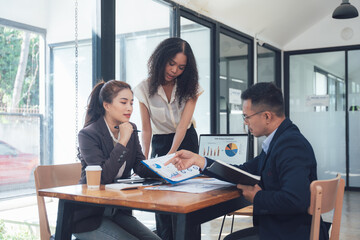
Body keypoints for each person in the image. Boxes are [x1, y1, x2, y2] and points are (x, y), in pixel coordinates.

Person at [166, 82, 330, 240]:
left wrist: (257, 197)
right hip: (283, 228)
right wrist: (199, 160)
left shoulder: (290, 145)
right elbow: (243, 171)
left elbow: (295, 200)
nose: (245, 122)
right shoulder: (278, 141)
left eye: (247, 117)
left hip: (291, 233)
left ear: (267, 116)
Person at [134, 37, 203, 240]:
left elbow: (183, 125)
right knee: (162, 200)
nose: (174, 70)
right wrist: (143, 162)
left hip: (186, 140)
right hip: (160, 141)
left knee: (187, 199)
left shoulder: (190, 86)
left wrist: (171, 156)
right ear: (161, 59)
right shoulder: (144, 88)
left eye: (181, 67)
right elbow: (146, 130)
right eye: (171, 63)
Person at [74, 80, 161, 240]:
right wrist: (123, 141)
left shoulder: (130, 128)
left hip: (116, 212)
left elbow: (139, 167)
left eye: (131, 103)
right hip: (88, 218)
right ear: (107, 105)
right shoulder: (88, 134)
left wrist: (166, 169)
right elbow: (102, 178)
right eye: (123, 102)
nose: (129, 108)